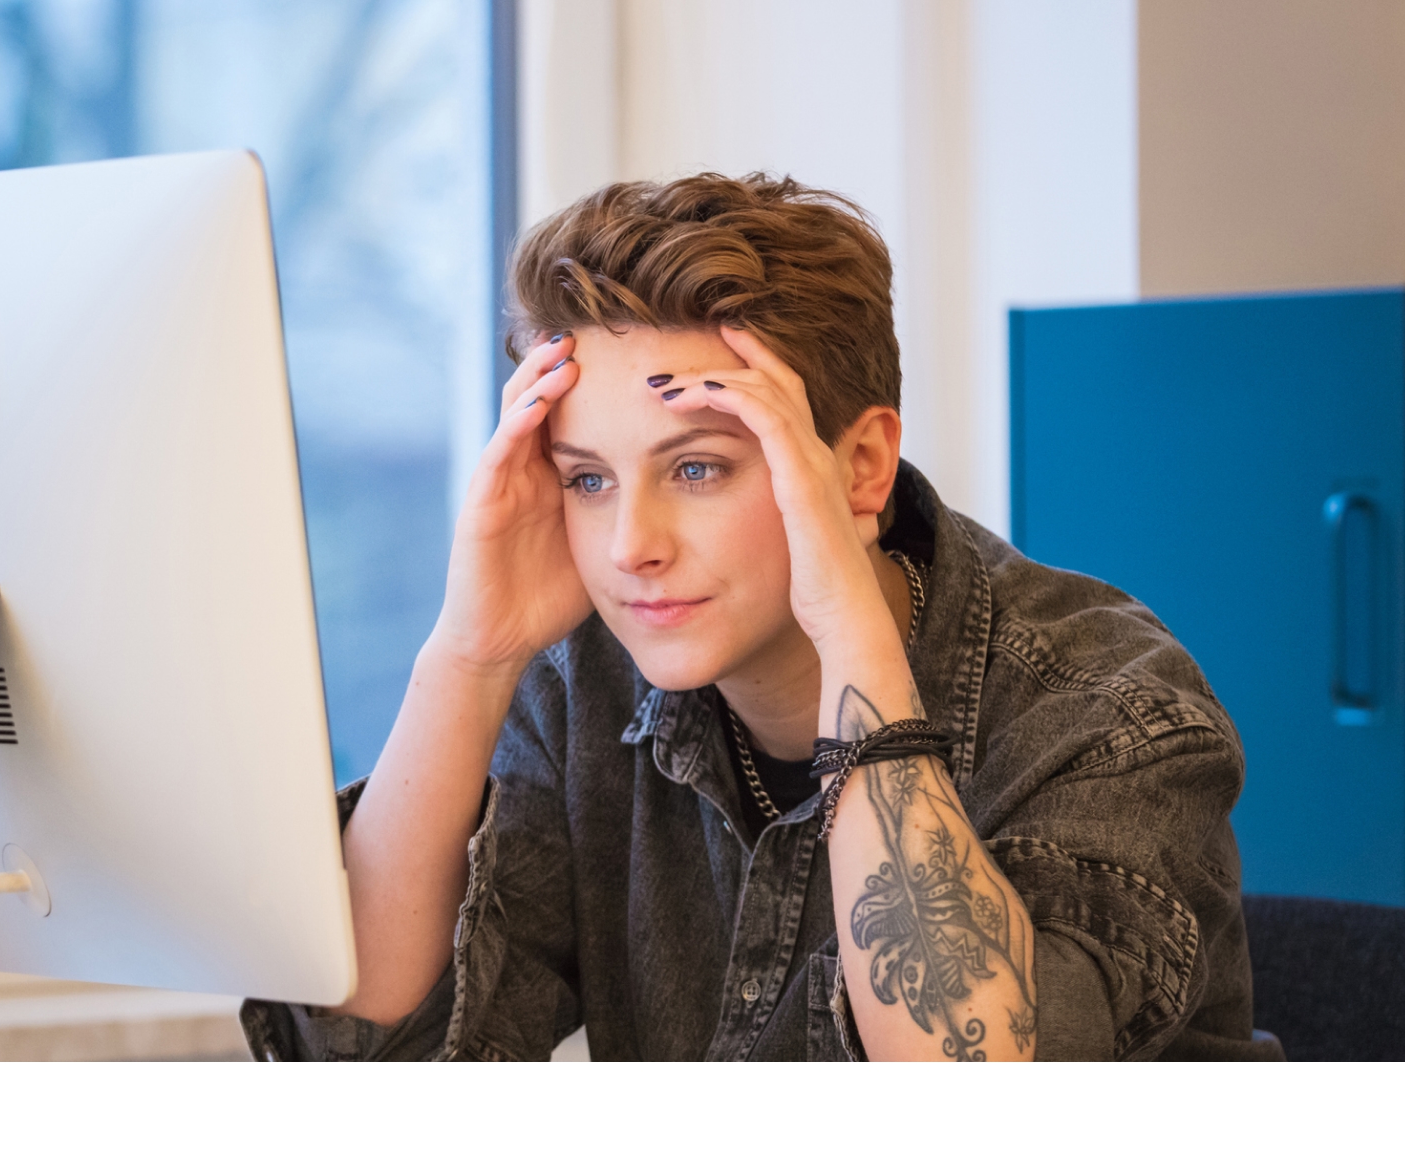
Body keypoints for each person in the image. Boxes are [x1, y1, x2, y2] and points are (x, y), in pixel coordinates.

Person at [242, 173, 1280, 1061]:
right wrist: (468, 656)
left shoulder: (1106, 712)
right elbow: (370, 1052)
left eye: (698, 467)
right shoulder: (579, 683)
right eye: (589, 480)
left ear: (862, 465)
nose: (627, 546)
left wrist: (848, 633)